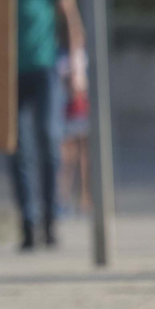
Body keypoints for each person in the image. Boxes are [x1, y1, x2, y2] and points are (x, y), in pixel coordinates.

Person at [14, 0, 86, 250]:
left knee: (49, 139)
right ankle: (26, 222)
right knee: (16, 148)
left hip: (43, 64)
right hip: (7, 69)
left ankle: (50, 217)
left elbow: (68, 12)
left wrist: (76, 66)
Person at [60, 48, 92, 215]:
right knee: (66, 160)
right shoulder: (61, 57)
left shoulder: (87, 57)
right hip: (67, 113)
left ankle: (84, 198)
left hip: (83, 111)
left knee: (84, 159)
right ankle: (63, 199)